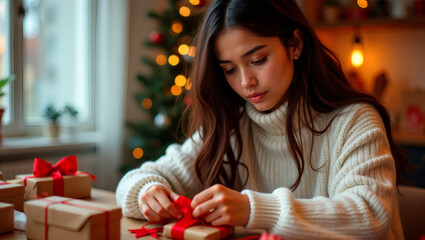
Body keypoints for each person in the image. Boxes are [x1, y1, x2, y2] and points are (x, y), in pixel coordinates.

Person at [116, 0, 411, 239]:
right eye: (230, 69)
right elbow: (135, 181)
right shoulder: (232, 124)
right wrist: (147, 192)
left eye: (257, 60)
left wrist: (251, 209)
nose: (246, 82)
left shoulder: (355, 121)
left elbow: (371, 216)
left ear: (295, 44)